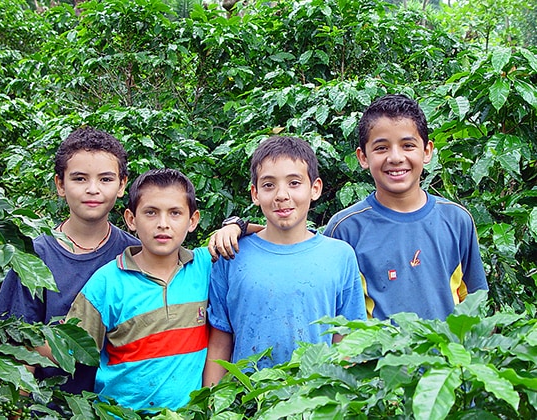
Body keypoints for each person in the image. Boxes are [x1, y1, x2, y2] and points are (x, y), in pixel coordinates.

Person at [203, 136, 366, 387]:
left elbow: (345, 341)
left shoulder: (340, 256)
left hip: (316, 403)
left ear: (315, 188)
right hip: (248, 402)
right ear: (255, 193)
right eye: (269, 185)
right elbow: (220, 342)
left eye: (294, 183)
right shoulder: (230, 254)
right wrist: (212, 405)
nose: (282, 195)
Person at [0, 126, 140, 393]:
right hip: (50, 407)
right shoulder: (34, 256)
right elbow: (17, 353)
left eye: (105, 179)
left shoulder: (137, 253)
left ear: (122, 185)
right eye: (80, 179)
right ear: (60, 184)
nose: (93, 189)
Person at [324, 94, 488, 320]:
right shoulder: (345, 229)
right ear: (363, 157)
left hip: (449, 353)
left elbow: (476, 302)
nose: (395, 157)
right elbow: (332, 311)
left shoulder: (457, 220)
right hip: (376, 355)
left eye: (408, 145)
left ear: (427, 151)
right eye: (381, 148)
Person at [63, 168, 212, 411]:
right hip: (121, 414)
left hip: (187, 415)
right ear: (131, 219)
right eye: (151, 213)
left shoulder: (204, 266)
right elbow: (70, 346)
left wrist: (236, 226)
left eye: (175, 213)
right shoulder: (107, 283)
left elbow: (265, 235)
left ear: (193, 220)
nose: (163, 224)